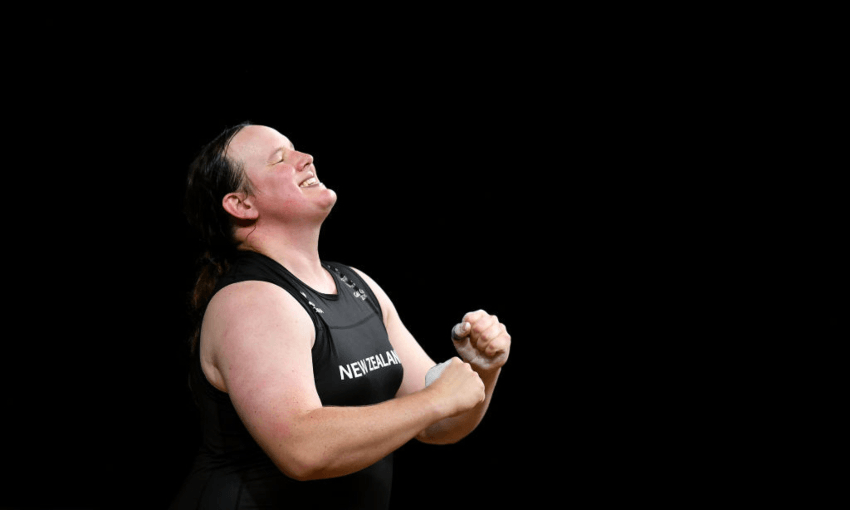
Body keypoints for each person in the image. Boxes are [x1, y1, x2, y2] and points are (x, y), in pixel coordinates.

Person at [169, 122, 511, 509]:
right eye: (280, 158)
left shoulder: (356, 284)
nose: (306, 158)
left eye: (296, 149)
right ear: (242, 205)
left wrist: (483, 369)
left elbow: (438, 426)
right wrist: (435, 399)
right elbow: (302, 451)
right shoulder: (250, 301)